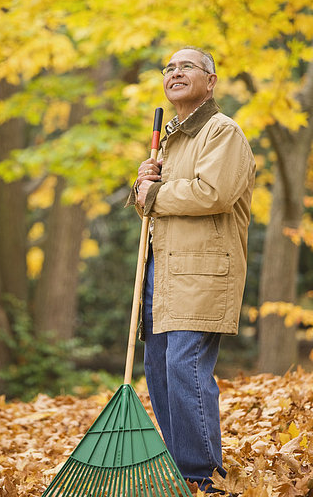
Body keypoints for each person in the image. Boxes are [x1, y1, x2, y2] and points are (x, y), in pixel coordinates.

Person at [126, 47, 255, 493]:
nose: (174, 72)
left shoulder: (222, 132)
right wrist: (143, 181)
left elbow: (212, 193)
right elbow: (155, 203)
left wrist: (154, 193)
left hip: (202, 274)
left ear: (211, 81)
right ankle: (183, 470)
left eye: (186, 66)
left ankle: (203, 476)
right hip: (162, 272)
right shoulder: (170, 139)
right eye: (169, 68)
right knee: (159, 367)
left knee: (184, 366)